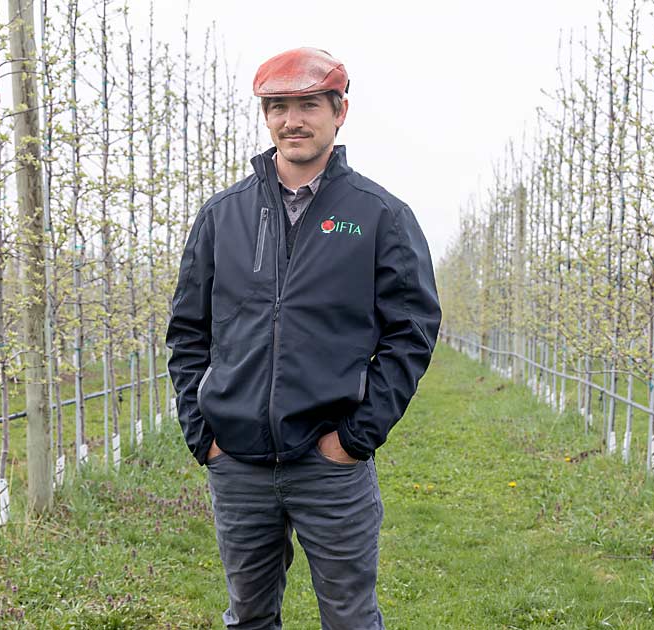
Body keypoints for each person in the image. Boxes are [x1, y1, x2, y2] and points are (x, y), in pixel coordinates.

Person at [165, 47, 441, 630]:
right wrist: (203, 435)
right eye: (278, 106)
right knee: (248, 617)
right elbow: (188, 333)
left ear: (339, 111)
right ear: (266, 117)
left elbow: (412, 332)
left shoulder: (378, 215)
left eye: (308, 104)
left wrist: (356, 437)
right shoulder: (222, 216)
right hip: (236, 461)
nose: (293, 119)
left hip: (330, 462)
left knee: (349, 617)